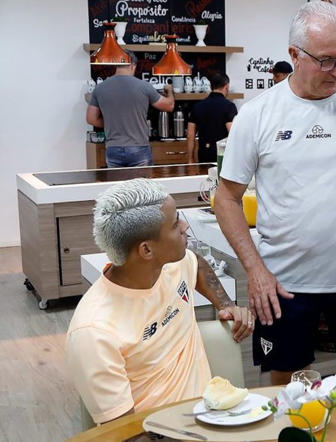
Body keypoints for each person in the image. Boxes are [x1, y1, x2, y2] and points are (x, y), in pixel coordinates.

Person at [215, 0, 336, 385]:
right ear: (294, 54)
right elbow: (225, 197)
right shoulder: (258, 115)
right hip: (283, 286)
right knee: (289, 389)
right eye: (326, 60)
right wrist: (254, 270)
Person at [66, 178, 254, 424]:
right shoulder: (94, 332)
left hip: (211, 419)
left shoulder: (173, 265)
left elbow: (196, 264)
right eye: (176, 223)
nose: (185, 226)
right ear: (146, 250)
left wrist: (225, 304)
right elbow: (123, 433)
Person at [86, 50, 175, 168]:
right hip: (139, 148)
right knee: (141, 186)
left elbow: (91, 119)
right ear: (133, 66)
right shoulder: (144, 86)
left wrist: (111, 123)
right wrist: (169, 90)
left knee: (119, 186)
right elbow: (169, 106)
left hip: (113, 148)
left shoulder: (100, 88)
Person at [187, 72, 238, 163]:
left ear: (211, 86)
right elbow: (233, 133)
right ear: (226, 86)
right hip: (223, 155)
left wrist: (190, 159)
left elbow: (190, 136)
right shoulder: (229, 106)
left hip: (203, 154)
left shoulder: (197, 106)